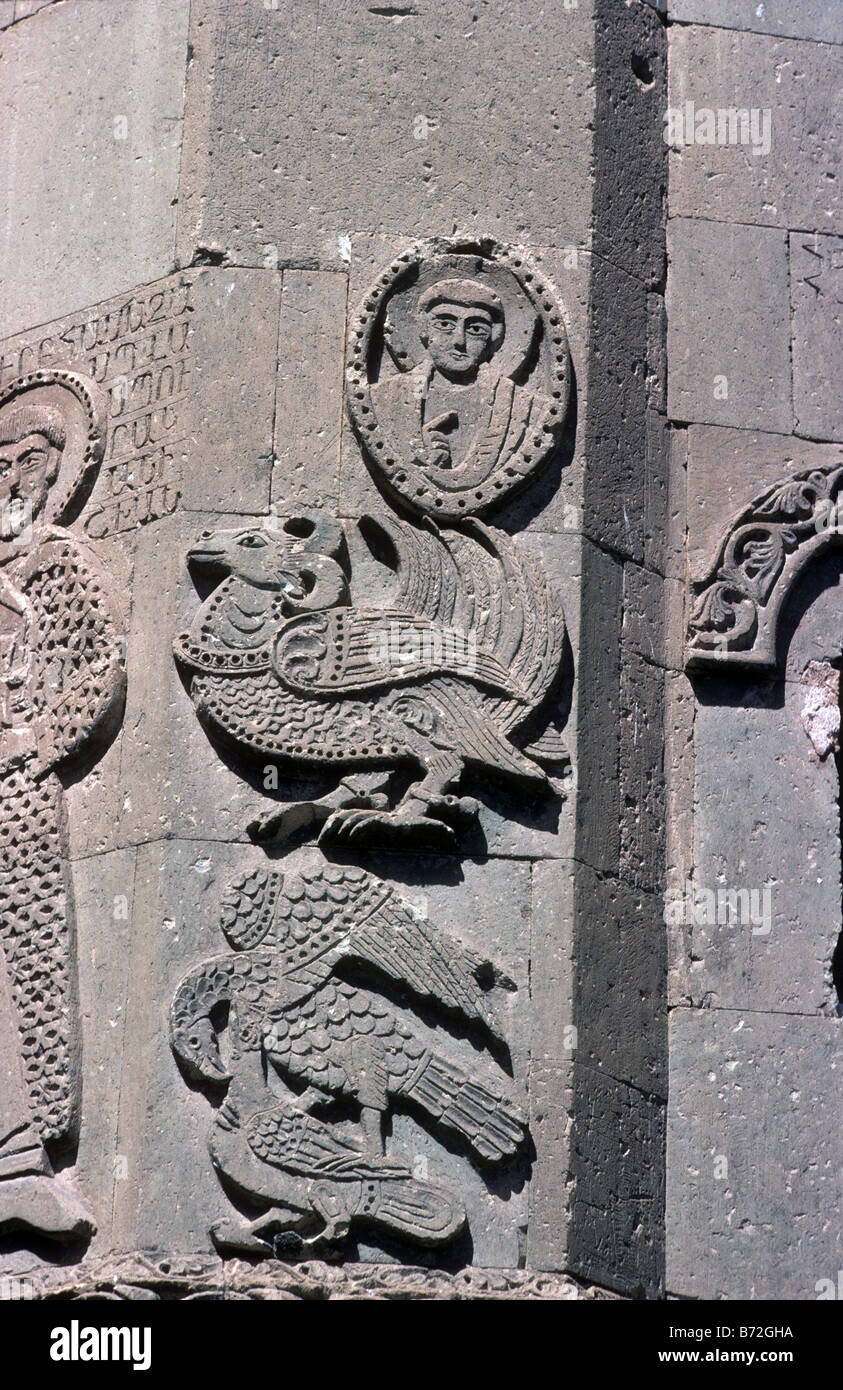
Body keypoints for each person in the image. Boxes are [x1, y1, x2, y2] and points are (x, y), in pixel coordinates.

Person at [0, 390, 123, 1241]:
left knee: (23, 959)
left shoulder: (56, 567)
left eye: (30, 461)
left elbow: (100, 667)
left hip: (13, 792)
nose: (11, 478)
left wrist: (37, 739)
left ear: (56, 473)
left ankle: (19, 1160)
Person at [372, 277, 551, 488]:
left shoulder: (526, 409)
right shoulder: (384, 398)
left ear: (494, 338)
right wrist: (419, 450)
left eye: (475, 329)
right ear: (424, 329)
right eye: (445, 324)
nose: (459, 341)